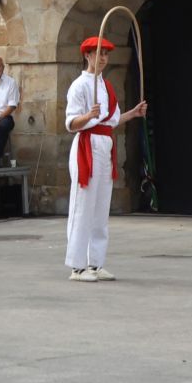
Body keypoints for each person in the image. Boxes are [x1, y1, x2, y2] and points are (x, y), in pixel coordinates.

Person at [63, 36, 147, 282]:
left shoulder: (107, 86)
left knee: (100, 207)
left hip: (105, 145)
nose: (102, 58)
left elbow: (112, 120)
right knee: (83, 205)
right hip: (86, 145)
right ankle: (77, 266)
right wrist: (88, 115)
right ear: (87, 56)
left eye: (105, 54)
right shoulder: (79, 85)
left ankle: (96, 263)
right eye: (98, 53)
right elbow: (71, 123)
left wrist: (133, 113)